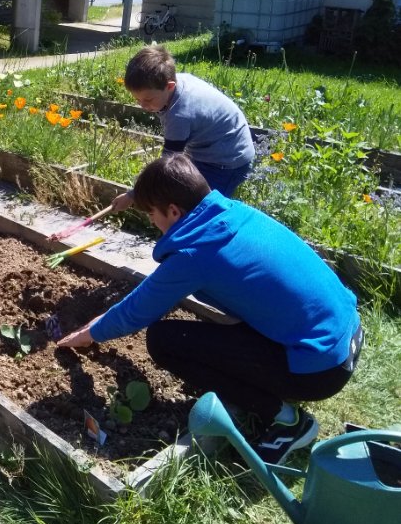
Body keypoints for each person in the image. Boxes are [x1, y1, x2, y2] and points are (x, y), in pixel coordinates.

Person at [59, 154, 362, 465]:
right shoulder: (233, 213)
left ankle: (287, 420)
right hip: (347, 333)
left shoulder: (195, 251)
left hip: (322, 368)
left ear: (174, 211)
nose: (152, 222)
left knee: (164, 341)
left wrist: (90, 333)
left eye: (152, 214)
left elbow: (136, 312)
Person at [112, 45, 254, 212]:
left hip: (227, 160)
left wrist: (133, 196)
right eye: (137, 99)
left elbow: (166, 169)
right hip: (212, 146)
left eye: (148, 100)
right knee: (180, 200)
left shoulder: (179, 115)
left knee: (204, 211)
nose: (143, 106)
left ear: (170, 86)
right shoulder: (176, 81)